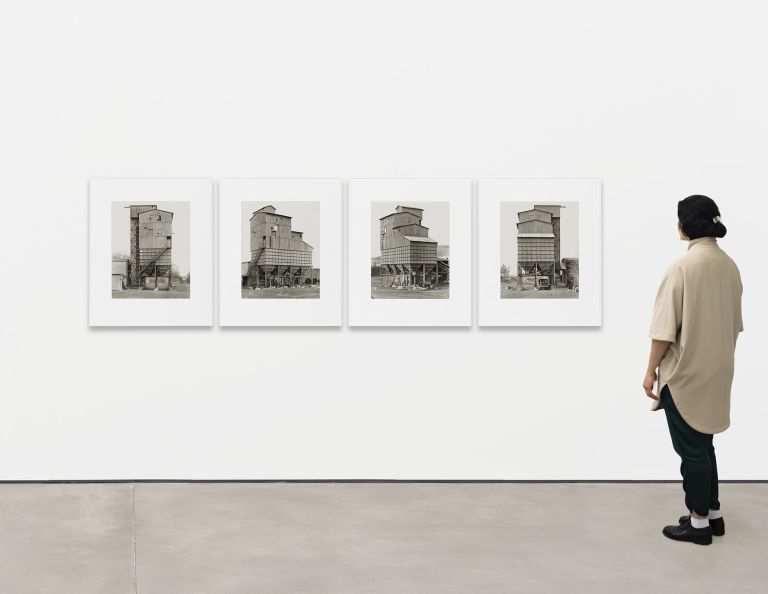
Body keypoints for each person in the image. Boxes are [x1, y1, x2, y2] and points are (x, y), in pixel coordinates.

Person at [644, 195, 743, 546]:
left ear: (685, 225)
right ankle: (712, 513)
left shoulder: (682, 268)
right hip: (719, 368)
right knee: (705, 444)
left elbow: (663, 330)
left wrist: (650, 370)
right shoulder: (729, 265)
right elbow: (736, 323)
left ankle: (698, 523)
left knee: (691, 450)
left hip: (687, 372)